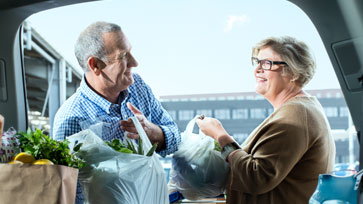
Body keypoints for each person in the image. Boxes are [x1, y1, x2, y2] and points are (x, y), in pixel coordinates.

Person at [196, 36, 336, 204]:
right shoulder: (299, 109)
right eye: (257, 62)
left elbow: (256, 177)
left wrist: (220, 136)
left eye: (267, 63)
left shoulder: (296, 113)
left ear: (294, 72)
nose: (257, 70)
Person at [52, 21, 181, 203]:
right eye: (123, 56)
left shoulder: (139, 88)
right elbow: (68, 195)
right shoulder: (71, 119)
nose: (135, 62)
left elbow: (176, 139)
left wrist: (152, 133)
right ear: (96, 64)